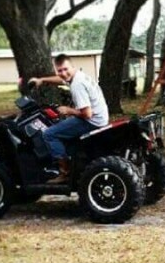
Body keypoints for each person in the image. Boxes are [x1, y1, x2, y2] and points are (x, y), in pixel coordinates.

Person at [29, 54, 109, 183]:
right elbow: (61, 80)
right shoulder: (78, 75)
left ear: (72, 67)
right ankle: (68, 156)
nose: (63, 73)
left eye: (66, 69)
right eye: (60, 70)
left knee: (49, 134)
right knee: (61, 124)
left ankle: (64, 173)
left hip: (92, 121)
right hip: (100, 117)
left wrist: (68, 110)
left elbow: (87, 114)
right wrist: (42, 80)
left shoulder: (77, 85)